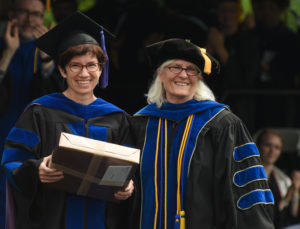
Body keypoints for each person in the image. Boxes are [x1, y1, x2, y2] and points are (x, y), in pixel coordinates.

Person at [1, 11, 134, 229]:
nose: (84, 73)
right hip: (51, 220)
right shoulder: (39, 113)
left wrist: (129, 187)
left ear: (101, 69)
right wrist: (37, 170)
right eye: (75, 65)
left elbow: (131, 170)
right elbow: (11, 162)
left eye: (91, 65)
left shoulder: (117, 118)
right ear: (62, 70)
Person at [130, 38, 275, 229]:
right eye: (175, 67)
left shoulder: (222, 125)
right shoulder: (140, 124)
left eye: (192, 69)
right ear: (160, 74)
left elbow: (245, 195)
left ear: (199, 78)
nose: (183, 75)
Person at [0, 0, 57, 227]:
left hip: (32, 144)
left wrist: (46, 59)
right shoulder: (3, 45)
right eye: (24, 12)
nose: (29, 19)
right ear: (12, 14)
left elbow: (52, 103)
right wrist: (8, 53)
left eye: (36, 14)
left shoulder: (47, 55)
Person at [205, 0, 260, 133]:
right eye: (223, 10)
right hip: (212, 108)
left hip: (239, 111)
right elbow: (202, 76)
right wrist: (208, 54)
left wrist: (220, 49)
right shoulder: (210, 38)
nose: (227, 15)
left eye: (231, 11)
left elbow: (243, 80)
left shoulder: (249, 40)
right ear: (218, 14)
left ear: (238, 14)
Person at [256, 128, 300, 229]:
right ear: (257, 146)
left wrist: (295, 190)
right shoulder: (247, 175)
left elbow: (293, 215)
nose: (272, 151)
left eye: (277, 147)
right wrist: (285, 201)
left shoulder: (283, 179)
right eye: (267, 145)